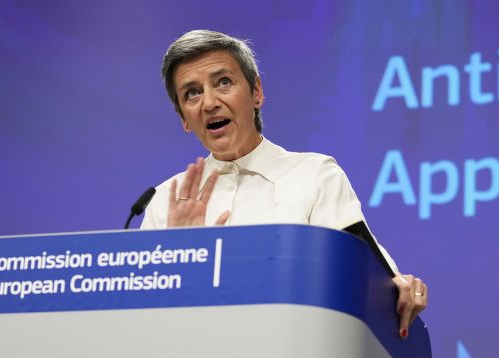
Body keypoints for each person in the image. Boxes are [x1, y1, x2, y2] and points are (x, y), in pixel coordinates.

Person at [141, 30, 427, 338]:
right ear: (184, 118)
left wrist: (398, 286)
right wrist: (181, 258)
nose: (209, 102)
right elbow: (143, 316)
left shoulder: (314, 175)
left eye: (223, 82)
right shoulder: (165, 200)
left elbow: (367, 270)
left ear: (256, 93)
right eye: (192, 93)